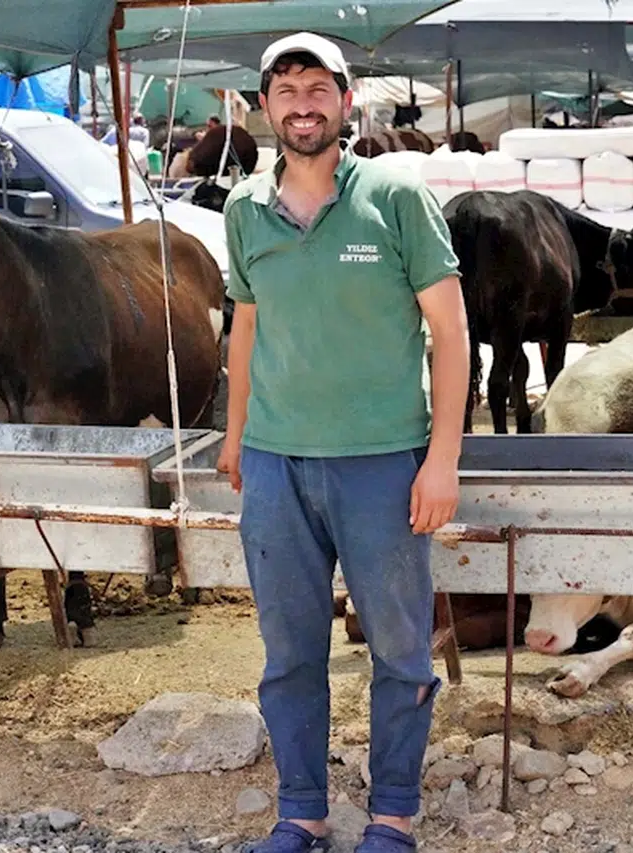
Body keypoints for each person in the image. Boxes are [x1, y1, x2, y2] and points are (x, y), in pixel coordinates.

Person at [216, 31, 469, 853]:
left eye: (317, 87)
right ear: (265, 110)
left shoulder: (394, 200)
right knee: (289, 652)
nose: (302, 103)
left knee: (398, 649)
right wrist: (235, 436)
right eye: (285, 90)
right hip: (276, 464)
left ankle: (393, 811)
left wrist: (441, 460)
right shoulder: (245, 210)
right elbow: (245, 332)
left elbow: (452, 333)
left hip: (383, 466)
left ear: (344, 102)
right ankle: (302, 812)